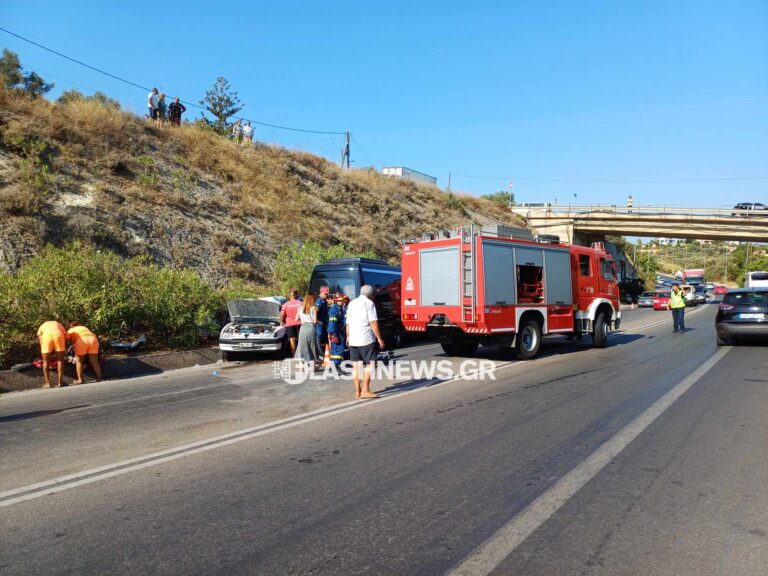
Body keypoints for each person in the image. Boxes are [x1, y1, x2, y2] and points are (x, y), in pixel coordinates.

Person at [345, 285, 385, 399]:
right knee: (370, 363)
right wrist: (379, 338)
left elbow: (348, 323)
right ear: (371, 294)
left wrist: (348, 337)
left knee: (356, 365)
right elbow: (373, 322)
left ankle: (357, 391)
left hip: (353, 339)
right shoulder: (369, 303)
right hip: (365, 339)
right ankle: (365, 390)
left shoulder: (352, 303)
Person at [37, 320, 67, 388]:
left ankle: (48, 383)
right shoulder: (58, 323)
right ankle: (60, 383)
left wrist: (44, 348)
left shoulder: (43, 325)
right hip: (59, 335)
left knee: (45, 361)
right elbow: (64, 335)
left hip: (46, 337)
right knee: (60, 360)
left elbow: (40, 337)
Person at [294, 292, 320, 366]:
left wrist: (303, 320)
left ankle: (301, 369)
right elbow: (314, 321)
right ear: (312, 299)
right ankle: (312, 368)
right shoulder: (314, 308)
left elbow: (296, 319)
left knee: (301, 346)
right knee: (312, 347)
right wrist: (319, 322)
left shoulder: (300, 307)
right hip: (311, 328)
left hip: (303, 328)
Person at [280, 289, 303, 355]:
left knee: (292, 340)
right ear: (296, 295)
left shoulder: (286, 304)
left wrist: (282, 322)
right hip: (299, 323)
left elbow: (282, 315)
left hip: (289, 323)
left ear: (290, 295)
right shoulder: (301, 303)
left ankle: (294, 355)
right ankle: (300, 354)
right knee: (300, 339)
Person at [327, 293, 346, 367]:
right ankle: (336, 365)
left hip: (340, 332)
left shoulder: (340, 309)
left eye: (342, 301)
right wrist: (334, 334)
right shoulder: (334, 309)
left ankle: (336, 365)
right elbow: (332, 323)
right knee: (337, 349)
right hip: (336, 332)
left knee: (338, 349)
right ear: (336, 301)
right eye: (339, 301)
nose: (341, 302)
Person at [315, 287, 329, 355]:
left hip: (324, 323)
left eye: (327, 294)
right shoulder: (319, 301)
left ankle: (324, 351)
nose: (327, 295)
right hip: (319, 323)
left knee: (324, 337)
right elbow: (315, 312)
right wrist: (317, 321)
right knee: (319, 336)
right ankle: (319, 352)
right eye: (325, 294)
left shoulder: (325, 301)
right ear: (321, 293)